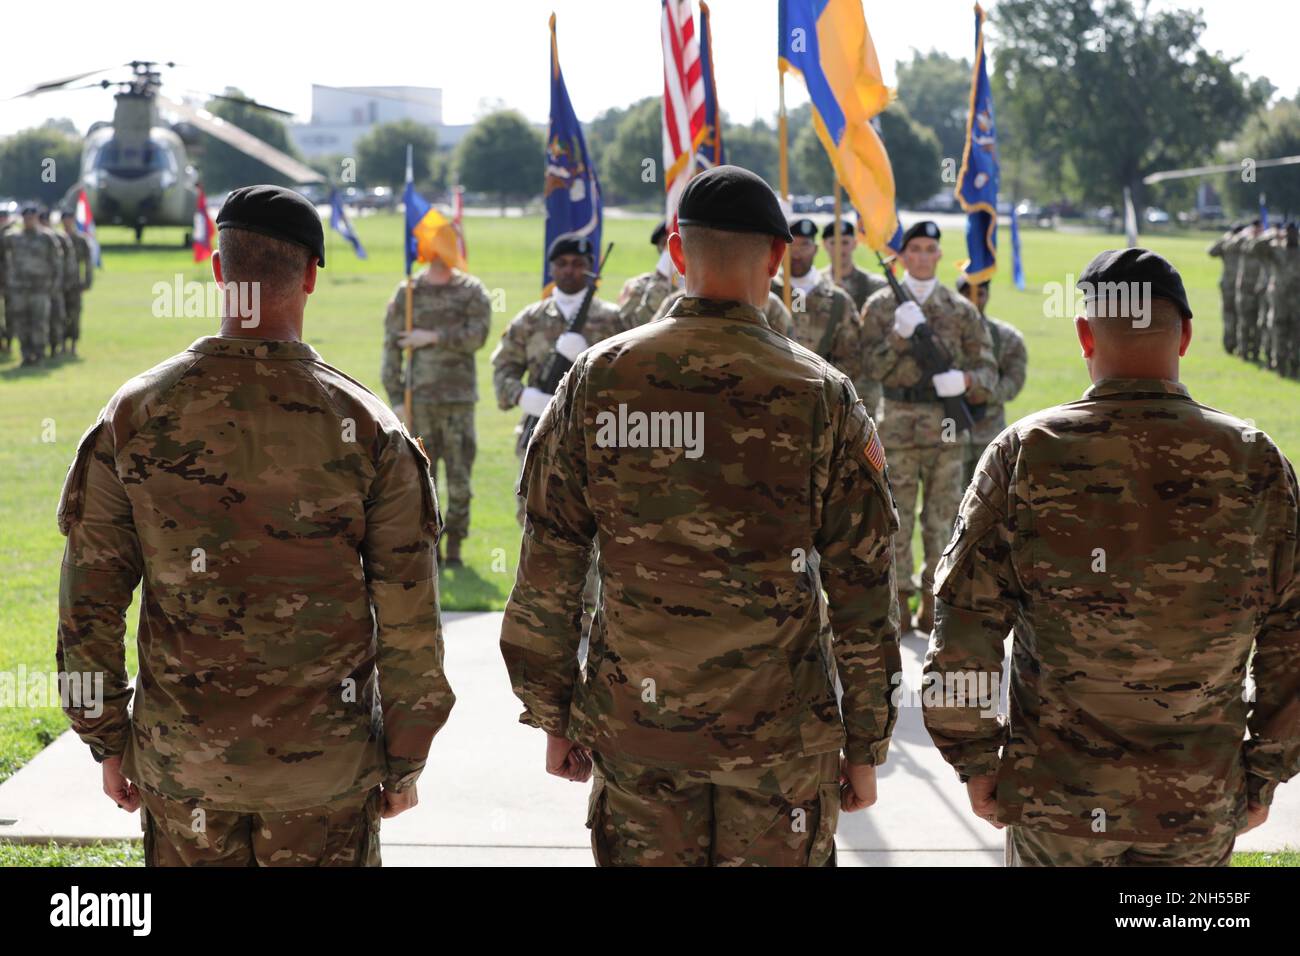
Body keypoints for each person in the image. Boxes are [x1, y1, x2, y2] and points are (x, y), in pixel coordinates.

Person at [500, 165, 902, 867]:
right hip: (778, 742)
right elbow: (864, 584)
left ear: (678, 253)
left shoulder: (598, 377)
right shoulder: (822, 394)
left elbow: (549, 559)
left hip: (638, 732)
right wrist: (866, 743)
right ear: (778, 257)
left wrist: (553, 711)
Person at [55, 185, 454, 866]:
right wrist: (406, 753)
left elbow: (87, 604)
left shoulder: (135, 413)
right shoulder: (368, 427)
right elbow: (410, 620)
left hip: (185, 771)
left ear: (218, 269)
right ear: (308, 276)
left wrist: (107, 737)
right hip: (323, 777)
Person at [924, 248, 1300, 866]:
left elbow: (965, 620)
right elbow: (1291, 631)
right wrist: (1266, 771)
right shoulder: (1256, 462)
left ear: (1082, 335)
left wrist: (974, 757)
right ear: (1184, 336)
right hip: (1196, 802)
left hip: (1058, 806)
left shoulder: (1026, 454)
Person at [861, 221, 996, 634]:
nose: (921, 256)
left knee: (941, 520)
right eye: (914, 249)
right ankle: (898, 602)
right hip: (897, 424)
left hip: (946, 426)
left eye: (929, 249)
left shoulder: (960, 310)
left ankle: (935, 601)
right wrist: (899, 336)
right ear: (902, 256)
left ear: (939, 255)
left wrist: (967, 382)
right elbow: (869, 368)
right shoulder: (881, 307)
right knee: (895, 518)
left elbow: (989, 370)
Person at [491, 232, 626, 526]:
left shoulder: (615, 320)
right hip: (540, 435)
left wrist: (591, 360)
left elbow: (630, 380)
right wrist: (525, 398)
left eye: (578, 263)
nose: (569, 270)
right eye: (562, 263)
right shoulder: (530, 319)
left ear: (590, 268)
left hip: (595, 438)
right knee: (534, 520)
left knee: (593, 525)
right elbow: (503, 370)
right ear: (551, 269)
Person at [380, 251, 491, 566]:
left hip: (459, 401)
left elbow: (478, 336)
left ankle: (455, 548)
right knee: (422, 481)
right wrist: (397, 399)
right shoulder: (409, 292)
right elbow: (391, 346)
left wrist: (432, 337)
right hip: (420, 402)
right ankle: (432, 549)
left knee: (459, 479)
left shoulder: (472, 290)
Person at [771, 218, 865, 383]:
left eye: (804, 245)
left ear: (815, 249)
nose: (797, 253)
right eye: (791, 244)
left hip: (820, 396)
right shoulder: (764, 291)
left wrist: (823, 383)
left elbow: (852, 357)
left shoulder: (838, 300)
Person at [956, 276, 1027, 488]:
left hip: (990, 429)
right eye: (966, 294)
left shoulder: (1007, 337)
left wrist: (988, 393)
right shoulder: (943, 335)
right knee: (947, 500)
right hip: (951, 430)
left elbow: (1014, 380)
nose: (974, 300)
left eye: (980, 293)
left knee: (990, 496)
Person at [823, 218, 888, 416]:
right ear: (825, 245)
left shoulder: (875, 286)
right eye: (834, 242)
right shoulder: (816, 286)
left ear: (854, 244)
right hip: (824, 377)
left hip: (863, 382)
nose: (840, 249)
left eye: (845, 242)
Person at [1, 204, 60, 367]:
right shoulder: (12, 237)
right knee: (21, 323)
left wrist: (54, 285)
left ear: (36, 218)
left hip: (40, 288)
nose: (29, 221)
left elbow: (57, 262)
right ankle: (26, 355)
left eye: (32, 218)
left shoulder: (47, 237)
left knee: (39, 323)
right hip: (18, 289)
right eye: (26, 218)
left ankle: (39, 355)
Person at [617, 220, 676, 329]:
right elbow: (628, 326)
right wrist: (661, 281)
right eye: (665, 246)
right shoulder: (637, 285)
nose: (670, 251)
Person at [1208, 222, 1247, 355]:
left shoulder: (1246, 243)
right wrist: (1226, 238)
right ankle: (1230, 344)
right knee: (1229, 315)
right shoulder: (1228, 243)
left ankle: (1243, 345)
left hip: (1245, 285)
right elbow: (1211, 251)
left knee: (1244, 316)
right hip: (1229, 285)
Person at [60, 212, 94, 357]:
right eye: (65, 219)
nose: (67, 222)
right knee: (59, 316)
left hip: (75, 284)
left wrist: (87, 281)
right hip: (58, 284)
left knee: (74, 315)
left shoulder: (81, 240)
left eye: (70, 219)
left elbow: (88, 262)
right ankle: (61, 345)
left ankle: (73, 344)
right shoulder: (58, 238)